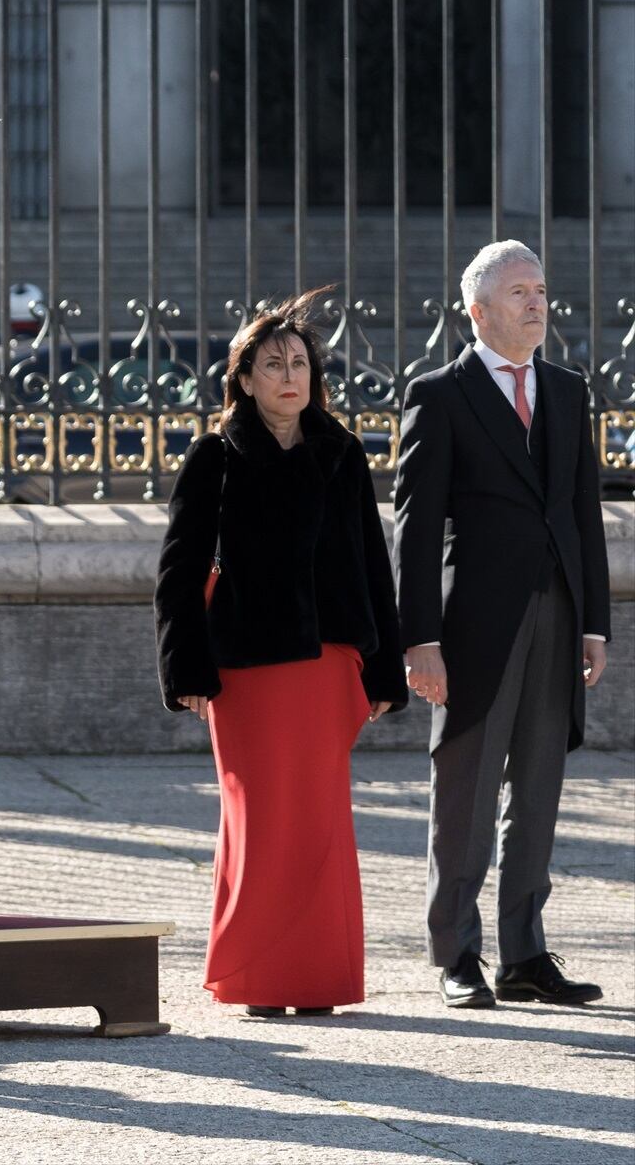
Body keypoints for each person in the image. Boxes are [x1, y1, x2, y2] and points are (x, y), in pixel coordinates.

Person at [155, 292, 407, 1016]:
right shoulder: (215, 457)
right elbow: (178, 569)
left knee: (322, 824)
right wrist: (187, 670)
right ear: (244, 379)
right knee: (260, 821)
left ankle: (318, 978)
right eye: (273, 365)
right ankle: (260, 977)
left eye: (299, 363)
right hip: (246, 671)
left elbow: (370, 562)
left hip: (329, 665)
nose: (289, 376)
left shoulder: (341, 453)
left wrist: (384, 665)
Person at [395, 240, 610, 1010]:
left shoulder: (565, 388)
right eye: (519, 292)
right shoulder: (440, 393)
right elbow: (416, 528)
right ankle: (456, 951)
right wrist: (418, 638)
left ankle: (525, 952)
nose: (537, 303)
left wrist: (596, 624)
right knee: (467, 791)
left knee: (540, 789)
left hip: (558, 614)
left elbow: (583, 512)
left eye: (542, 290)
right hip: (474, 627)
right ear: (478, 311)